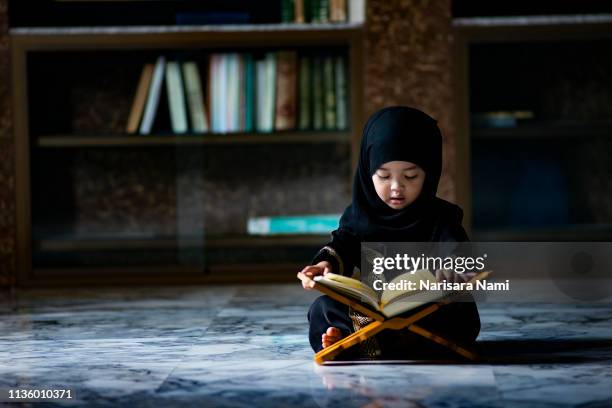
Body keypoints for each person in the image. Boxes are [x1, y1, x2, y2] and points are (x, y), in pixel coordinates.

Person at [297, 106, 481, 359]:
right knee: (323, 308)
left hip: (426, 309)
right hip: (374, 309)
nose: (396, 187)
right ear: (366, 170)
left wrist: (452, 271)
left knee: (458, 315)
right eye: (383, 176)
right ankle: (348, 338)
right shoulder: (359, 215)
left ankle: (362, 342)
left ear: (430, 173)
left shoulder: (442, 217)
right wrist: (324, 265)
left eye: (411, 176)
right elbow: (341, 246)